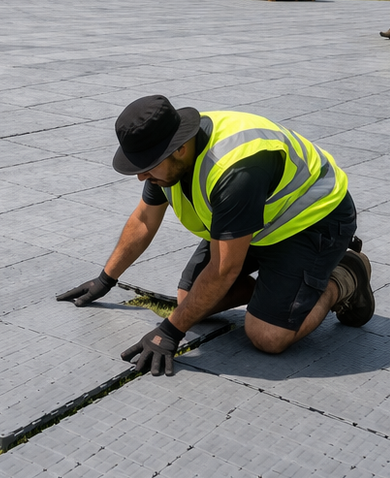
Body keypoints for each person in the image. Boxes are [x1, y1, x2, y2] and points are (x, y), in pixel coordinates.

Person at [57, 95, 373, 375]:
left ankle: (344, 275)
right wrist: (105, 279)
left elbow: (224, 269)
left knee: (267, 336)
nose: (141, 175)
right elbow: (143, 220)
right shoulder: (165, 159)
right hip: (257, 224)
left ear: (179, 149)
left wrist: (169, 332)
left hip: (312, 222)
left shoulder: (234, 169)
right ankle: (279, 289)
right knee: (190, 299)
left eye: (147, 166)